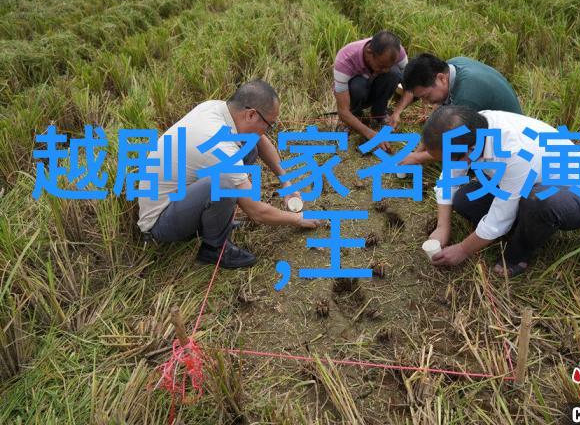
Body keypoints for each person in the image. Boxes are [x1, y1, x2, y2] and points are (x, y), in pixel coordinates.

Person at [137, 80, 320, 269]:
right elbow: (256, 212)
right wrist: (297, 219)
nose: (267, 130)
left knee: (249, 148)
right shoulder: (219, 146)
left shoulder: (217, 109)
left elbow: (260, 139)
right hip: (160, 222)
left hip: (182, 197)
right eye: (269, 124)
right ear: (251, 114)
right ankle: (215, 249)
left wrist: (286, 182)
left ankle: (214, 221)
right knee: (223, 184)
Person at [423, 105, 580, 277]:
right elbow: (450, 179)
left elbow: (499, 218)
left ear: (471, 150)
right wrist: (443, 226)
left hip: (579, 194)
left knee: (538, 202)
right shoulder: (473, 128)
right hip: (527, 184)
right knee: (464, 200)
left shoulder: (515, 151)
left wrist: (463, 249)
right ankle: (527, 225)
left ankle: (518, 255)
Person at [400, 53, 522, 166]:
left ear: (441, 78)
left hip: (510, 140)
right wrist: (417, 151)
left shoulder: (466, 99)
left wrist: (417, 158)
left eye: (426, 96)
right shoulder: (452, 66)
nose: (425, 102)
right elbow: (438, 116)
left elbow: (453, 146)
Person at [333, 30, 414, 152]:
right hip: (356, 93)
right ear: (369, 53)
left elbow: (410, 87)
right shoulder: (345, 59)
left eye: (388, 66)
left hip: (377, 86)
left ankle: (379, 114)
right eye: (381, 66)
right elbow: (342, 111)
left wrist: (397, 112)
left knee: (394, 73)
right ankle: (355, 116)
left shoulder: (398, 52)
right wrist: (370, 134)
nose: (385, 70)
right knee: (357, 86)